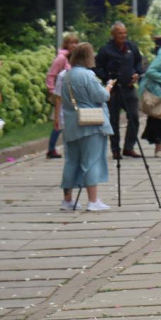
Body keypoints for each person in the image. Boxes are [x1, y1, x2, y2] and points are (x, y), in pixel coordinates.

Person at [60, 42, 115, 212]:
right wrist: (109, 86)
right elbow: (102, 96)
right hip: (91, 123)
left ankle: (67, 200)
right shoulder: (88, 75)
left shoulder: (67, 76)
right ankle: (93, 200)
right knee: (91, 161)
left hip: (71, 123)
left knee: (71, 161)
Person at [95, 22, 144, 160]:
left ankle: (129, 147)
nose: (123, 35)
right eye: (119, 33)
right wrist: (108, 79)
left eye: (124, 33)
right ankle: (115, 149)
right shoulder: (106, 50)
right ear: (113, 34)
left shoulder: (131, 47)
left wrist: (137, 73)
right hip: (114, 90)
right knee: (113, 120)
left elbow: (139, 62)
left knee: (134, 116)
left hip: (129, 88)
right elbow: (97, 67)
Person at [46, 32, 80, 159]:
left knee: (66, 121)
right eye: (71, 42)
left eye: (76, 42)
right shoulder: (61, 58)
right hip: (60, 93)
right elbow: (51, 75)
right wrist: (52, 90)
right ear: (66, 44)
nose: (74, 45)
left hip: (71, 94)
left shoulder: (75, 58)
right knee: (58, 121)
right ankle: (51, 148)